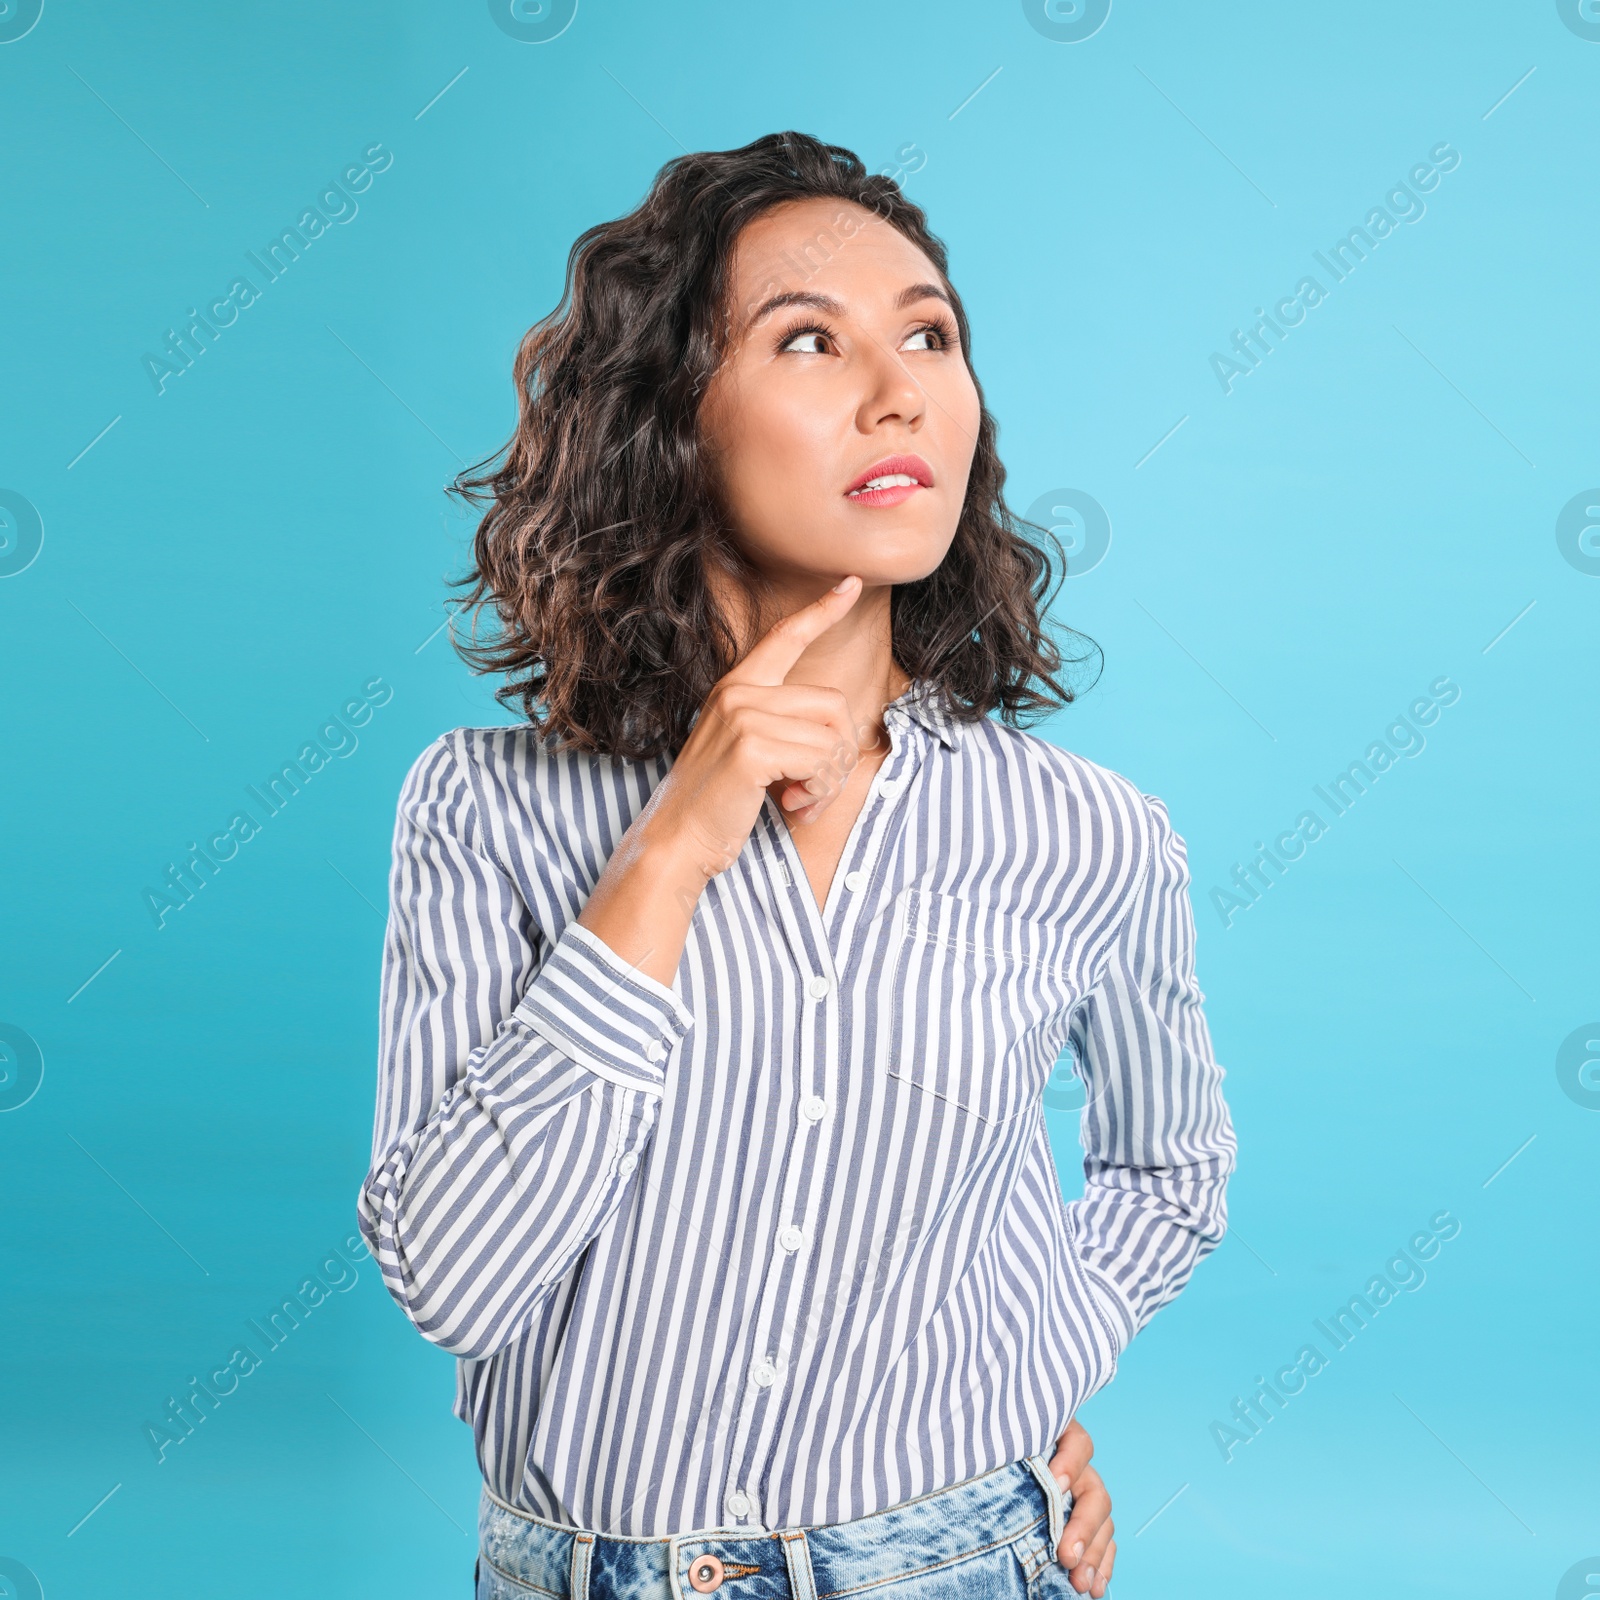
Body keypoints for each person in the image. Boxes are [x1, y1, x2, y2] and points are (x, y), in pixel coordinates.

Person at [357, 131, 1236, 1600]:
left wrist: (1011, 1392)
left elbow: (1170, 1173)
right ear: (670, 417)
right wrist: (672, 851)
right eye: (810, 339)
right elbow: (454, 1278)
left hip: (956, 1561)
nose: (899, 389)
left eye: (931, 335)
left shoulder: (1092, 834)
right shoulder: (482, 811)